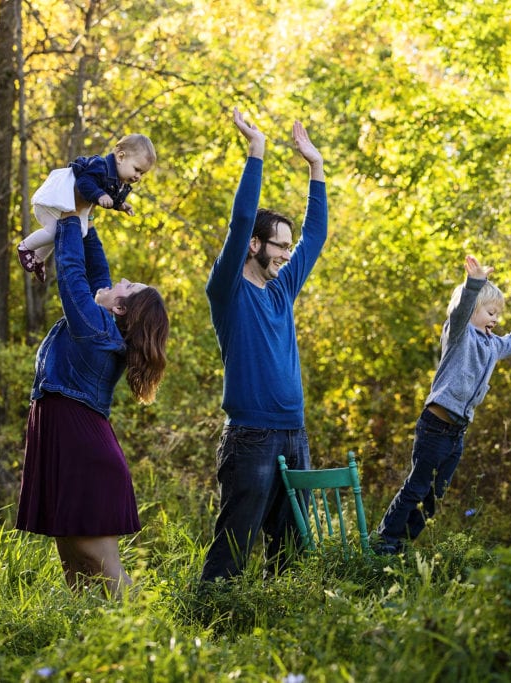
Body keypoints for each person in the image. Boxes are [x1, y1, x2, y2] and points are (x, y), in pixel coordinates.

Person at [199, 107, 327, 582]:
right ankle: (209, 623)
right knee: (234, 549)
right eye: (279, 245)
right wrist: (258, 151)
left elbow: (316, 236)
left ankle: (278, 631)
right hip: (250, 437)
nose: (287, 253)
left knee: (292, 553)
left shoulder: (282, 288)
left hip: (295, 434)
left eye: (287, 247)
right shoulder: (228, 289)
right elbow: (239, 222)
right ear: (255, 246)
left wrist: (315, 167)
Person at [16, 212, 169, 598]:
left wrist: (68, 222)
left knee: (99, 562)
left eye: (128, 285)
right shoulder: (103, 321)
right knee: (71, 555)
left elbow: (72, 275)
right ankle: (88, 639)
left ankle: (151, 634)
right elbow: (97, 270)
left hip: (83, 449)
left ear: (121, 309)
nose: (119, 280)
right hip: (67, 438)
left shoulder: (96, 328)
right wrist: (85, 219)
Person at [375, 255, 511, 554]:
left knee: (435, 495)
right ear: (472, 310)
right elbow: (459, 313)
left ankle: (401, 545)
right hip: (435, 426)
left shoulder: (492, 344)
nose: (496, 319)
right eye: (490, 312)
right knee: (417, 488)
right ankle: (383, 542)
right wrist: (475, 285)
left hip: (457, 432)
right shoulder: (458, 334)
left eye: (498, 314)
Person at [18, 134, 157, 282]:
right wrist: (99, 195)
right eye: (137, 169)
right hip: (53, 199)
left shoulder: (118, 180)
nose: (138, 177)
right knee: (54, 231)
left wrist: (120, 205)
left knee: (58, 232)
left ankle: (38, 258)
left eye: (142, 173)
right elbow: (84, 183)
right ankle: (25, 247)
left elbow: (111, 198)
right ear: (121, 157)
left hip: (64, 205)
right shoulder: (100, 166)